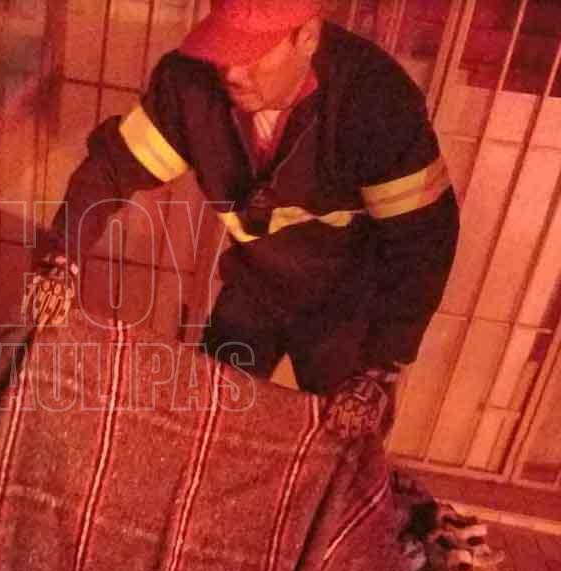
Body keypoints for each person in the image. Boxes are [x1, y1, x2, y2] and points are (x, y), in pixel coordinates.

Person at [41, 0, 459, 431]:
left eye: (251, 52)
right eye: (223, 46)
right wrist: (62, 256)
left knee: (348, 435)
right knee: (205, 418)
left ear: (307, 37)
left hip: (352, 303)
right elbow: (111, 170)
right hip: (255, 284)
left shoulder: (376, 102)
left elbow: (424, 240)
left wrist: (381, 365)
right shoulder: (191, 84)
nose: (231, 72)